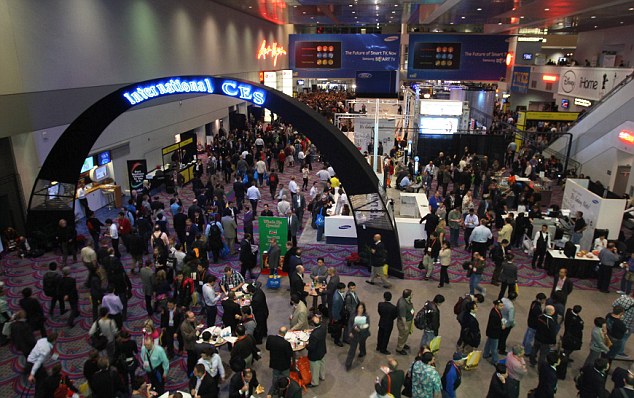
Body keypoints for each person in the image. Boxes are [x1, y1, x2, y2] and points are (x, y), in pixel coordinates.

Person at [26, 332, 58, 397]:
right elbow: (38, 362)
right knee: (41, 383)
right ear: (54, 340)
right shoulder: (46, 350)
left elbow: (42, 353)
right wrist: (32, 374)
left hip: (30, 360)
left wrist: (54, 356)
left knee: (44, 378)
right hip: (34, 365)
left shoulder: (42, 340)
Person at [345, 302, 370, 371]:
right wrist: (350, 331)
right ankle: (348, 364)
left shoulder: (366, 316)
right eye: (359, 308)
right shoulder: (353, 315)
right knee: (352, 350)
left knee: (362, 344)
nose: (360, 309)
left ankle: (362, 352)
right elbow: (350, 323)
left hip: (362, 334)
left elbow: (367, 326)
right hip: (354, 335)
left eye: (361, 308)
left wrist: (360, 329)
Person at [307, 314, 327, 386]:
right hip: (322, 350)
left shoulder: (314, 335)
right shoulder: (324, 327)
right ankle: (322, 376)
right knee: (322, 364)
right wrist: (313, 330)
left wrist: (305, 344)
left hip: (315, 355)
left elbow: (311, 347)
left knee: (315, 369)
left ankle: (314, 382)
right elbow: (319, 329)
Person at [483, 300, 506, 365]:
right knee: (494, 348)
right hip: (494, 333)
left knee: (488, 343)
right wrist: (501, 327)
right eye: (500, 306)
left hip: (491, 332)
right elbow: (493, 326)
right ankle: (495, 360)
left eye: (502, 305)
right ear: (496, 306)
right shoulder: (494, 315)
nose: (502, 307)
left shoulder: (495, 310)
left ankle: (486, 354)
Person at [376, 291, 398, 355]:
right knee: (386, 337)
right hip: (389, 324)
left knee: (380, 334)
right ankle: (383, 349)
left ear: (384, 297)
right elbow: (395, 315)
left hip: (382, 322)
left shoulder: (380, 304)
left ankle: (378, 346)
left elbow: (379, 312)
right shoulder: (394, 308)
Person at [395, 289, 414, 356]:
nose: (412, 295)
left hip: (408, 320)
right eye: (411, 294)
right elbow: (403, 317)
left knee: (405, 335)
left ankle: (403, 344)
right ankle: (399, 348)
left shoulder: (405, 300)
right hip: (404, 323)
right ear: (408, 296)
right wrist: (405, 325)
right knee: (402, 335)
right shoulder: (402, 305)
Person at [330, 282, 347, 347]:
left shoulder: (337, 292)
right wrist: (336, 318)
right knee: (338, 328)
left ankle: (334, 335)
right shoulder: (337, 299)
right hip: (338, 316)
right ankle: (337, 340)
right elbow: (335, 310)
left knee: (337, 328)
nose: (344, 290)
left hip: (339, 312)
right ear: (339, 289)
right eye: (343, 289)